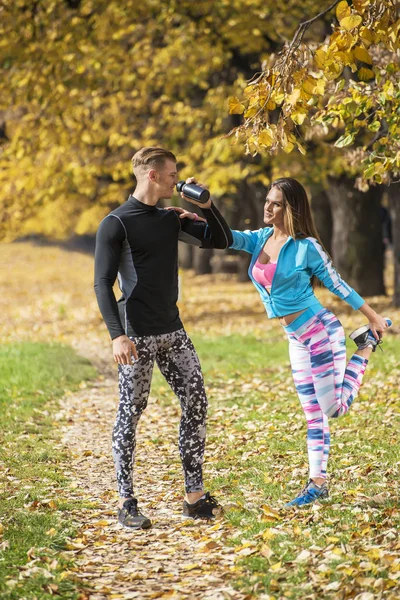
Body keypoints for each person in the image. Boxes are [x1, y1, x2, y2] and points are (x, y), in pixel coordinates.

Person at [180, 177, 392, 508]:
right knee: (313, 413)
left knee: (333, 409)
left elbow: (339, 285)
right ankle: (317, 484)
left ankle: (365, 346)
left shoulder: (307, 247)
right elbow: (227, 238)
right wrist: (199, 215)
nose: (267, 207)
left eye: (275, 203)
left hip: (320, 331)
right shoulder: (260, 238)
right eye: (267, 200)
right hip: (295, 338)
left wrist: (374, 318)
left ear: (290, 208)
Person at [94, 147, 233, 528]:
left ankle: (195, 497)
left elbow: (220, 240)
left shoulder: (171, 218)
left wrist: (205, 206)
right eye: (173, 174)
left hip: (173, 332)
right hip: (136, 337)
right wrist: (116, 336)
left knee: (197, 402)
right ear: (153, 175)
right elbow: (102, 284)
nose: (178, 179)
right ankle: (126, 501)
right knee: (131, 414)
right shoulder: (116, 223)